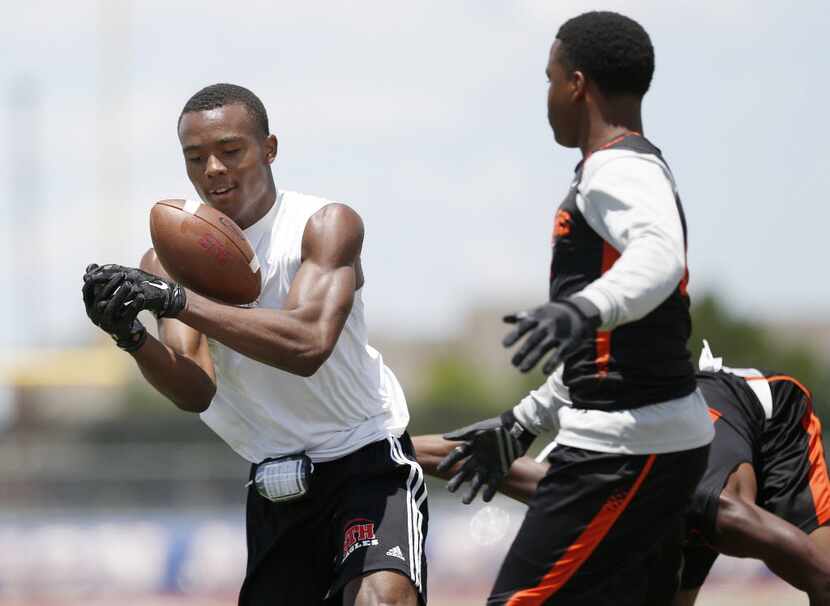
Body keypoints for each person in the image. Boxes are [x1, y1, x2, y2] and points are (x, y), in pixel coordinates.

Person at [82, 83, 427, 606]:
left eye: (230, 150)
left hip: (364, 458)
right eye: (195, 157)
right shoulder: (170, 261)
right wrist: (130, 337)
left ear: (269, 149)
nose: (213, 169)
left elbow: (308, 346)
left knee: (380, 600)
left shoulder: (323, 225)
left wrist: (178, 302)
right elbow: (195, 388)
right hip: (276, 478)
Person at [436, 11, 713, 605]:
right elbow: (613, 348)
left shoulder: (615, 169)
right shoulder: (628, 165)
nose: (547, 97)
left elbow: (660, 256)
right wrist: (523, 423)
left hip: (625, 452)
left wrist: (583, 308)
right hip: (649, 439)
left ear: (577, 84)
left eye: (549, 78)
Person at [415, 343, 830, 605]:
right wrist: (380, 449)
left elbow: (821, 573)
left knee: (819, 571)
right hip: (675, 472)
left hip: (770, 414)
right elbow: (465, 455)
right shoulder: (578, 495)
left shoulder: (723, 515)